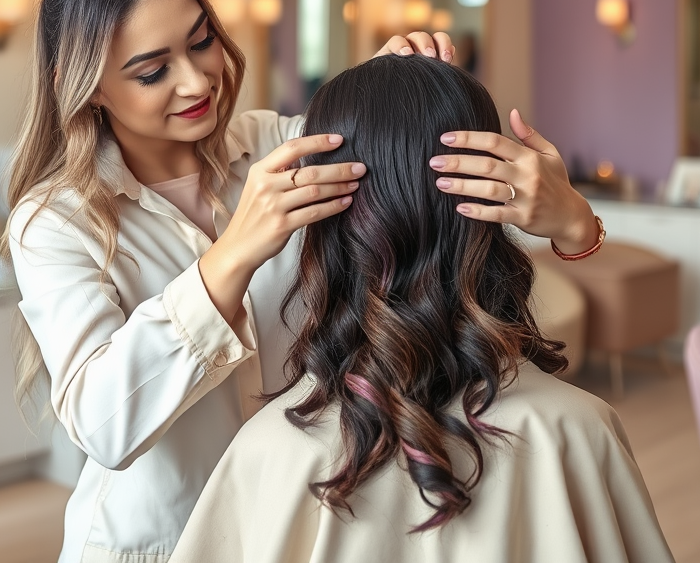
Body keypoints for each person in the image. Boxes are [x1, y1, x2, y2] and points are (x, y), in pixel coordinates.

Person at [4, 0, 601, 563]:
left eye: (201, 40)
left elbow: (418, 204)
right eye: (152, 71)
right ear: (83, 87)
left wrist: (572, 221)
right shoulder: (54, 222)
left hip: (298, 520)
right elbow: (103, 425)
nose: (197, 79)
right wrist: (231, 256)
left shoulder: (282, 144)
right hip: (162, 543)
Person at [171, 55, 672, 563]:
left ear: (321, 229)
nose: (190, 80)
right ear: (488, 218)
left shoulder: (272, 452)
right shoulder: (577, 429)